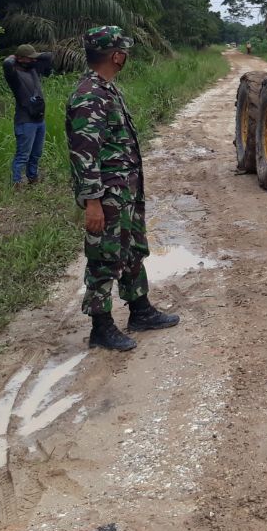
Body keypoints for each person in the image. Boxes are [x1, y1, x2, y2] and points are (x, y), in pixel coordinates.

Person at [67, 25, 179, 351]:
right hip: (107, 195)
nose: (126, 55)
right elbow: (84, 154)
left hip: (124, 192)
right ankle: (101, 327)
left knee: (131, 251)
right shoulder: (89, 96)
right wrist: (92, 202)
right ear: (116, 55)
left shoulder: (107, 89)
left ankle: (140, 310)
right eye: (124, 51)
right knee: (104, 259)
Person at [2, 44, 55, 188]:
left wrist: (33, 55)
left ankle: (33, 178)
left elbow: (49, 57)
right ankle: (16, 183)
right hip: (25, 120)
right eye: (29, 58)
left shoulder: (33, 69)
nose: (33, 60)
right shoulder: (14, 75)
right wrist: (15, 56)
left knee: (36, 153)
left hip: (39, 119)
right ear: (20, 59)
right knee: (23, 155)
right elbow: (7, 63)